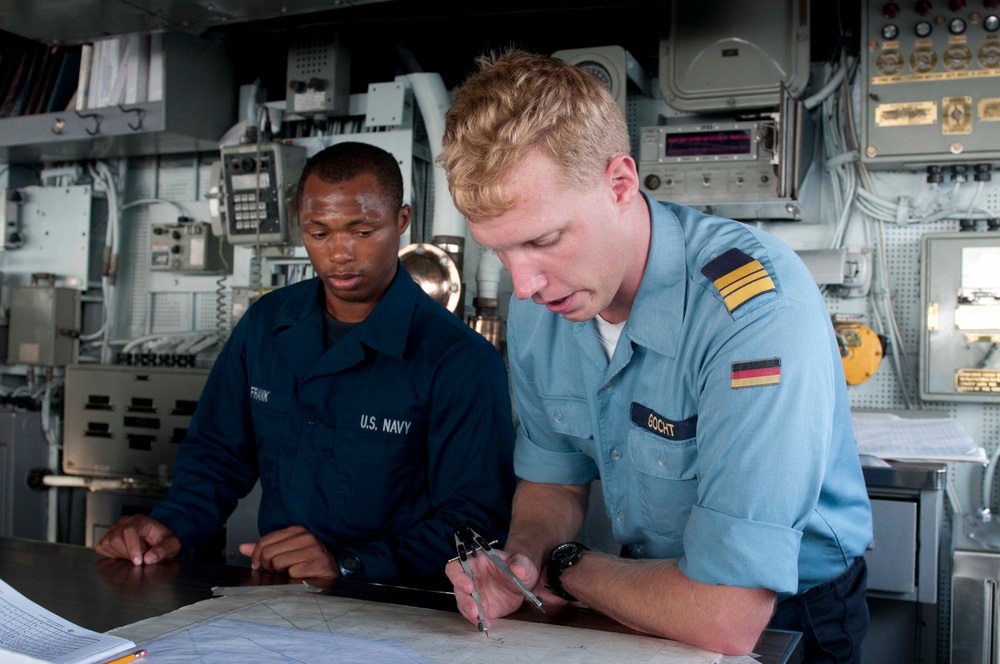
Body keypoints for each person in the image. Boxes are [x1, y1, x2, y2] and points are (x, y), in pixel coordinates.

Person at [438, 49, 873, 661]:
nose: (526, 283)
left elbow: (726, 616)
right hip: (632, 594)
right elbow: (553, 481)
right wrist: (523, 561)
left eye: (542, 239)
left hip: (785, 613)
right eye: (502, 251)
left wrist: (566, 568)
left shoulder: (752, 313)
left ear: (619, 183)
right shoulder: (543, 303)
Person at [97, 141, 516, 588]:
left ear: (401, 222)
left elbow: (476, 524)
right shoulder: (266, 325)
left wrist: (349, 563)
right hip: (281, 595)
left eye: (361, 231)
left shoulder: (459, 360)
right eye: (320, 233)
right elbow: (218, 454)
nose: (340, 253)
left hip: (403, 609)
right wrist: (171, 525)